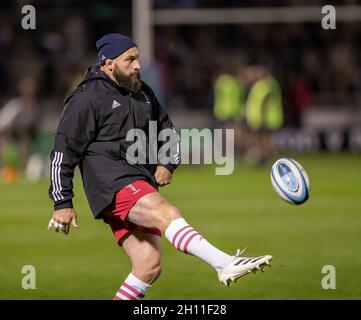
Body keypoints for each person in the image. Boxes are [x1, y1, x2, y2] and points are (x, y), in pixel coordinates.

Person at [47, 33, 272, 300]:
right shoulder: (86, 97)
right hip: (111, 184)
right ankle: (223, 263)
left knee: (148, 265)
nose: (137, 65)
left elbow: (166, 129)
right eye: (129, 60)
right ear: (108, 63)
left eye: (137, 58)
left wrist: (167, 162)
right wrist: (62, 202)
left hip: (138, 179)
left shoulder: (142, 91)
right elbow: (64, 149)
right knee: (167, 212)